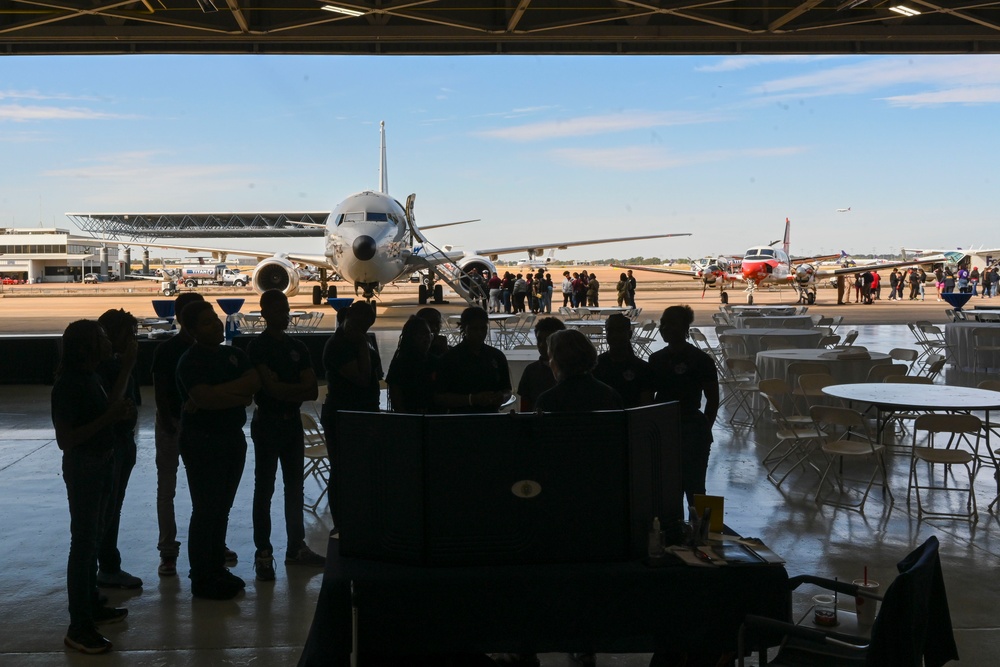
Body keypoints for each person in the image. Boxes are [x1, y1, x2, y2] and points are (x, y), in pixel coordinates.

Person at [52, 320, 136, 654]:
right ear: (86, 346)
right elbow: (66, 439)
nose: (107, 341)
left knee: (94, 538)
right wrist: (109, 418)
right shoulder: (70, 384)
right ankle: (78, 626)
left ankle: (90, 607)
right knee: (84, 545)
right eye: (100, 338)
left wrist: (114, 411)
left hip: (101, 464)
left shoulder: (91, 377)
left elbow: (107, 409)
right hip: (85, 468)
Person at [176, 301, 260, 600]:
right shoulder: (190, 361)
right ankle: (201, 576)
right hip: (202, 440)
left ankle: (215, 569)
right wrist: (235, 394)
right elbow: (206, 398)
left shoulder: (234, 353)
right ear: (192, 330)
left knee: (221, 509)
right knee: (206, 509)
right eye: (207, 322)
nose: (216, 325)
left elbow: (253, 387)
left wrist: (221, 393)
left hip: (232, 437)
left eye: (216, 319)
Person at [248, 290, 324, 583]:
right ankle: (263, 553)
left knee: (295, 488)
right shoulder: (258, 347)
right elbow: (272, 390)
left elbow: (312, 391)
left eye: (287, 308)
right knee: (264, 490)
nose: (284, 314)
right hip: (267, 424)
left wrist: (282, 388)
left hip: (291, 423)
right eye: (278, 309)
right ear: (264, 312)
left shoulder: (298, 346)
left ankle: (296, 547)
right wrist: (291, 388)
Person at [150, 292, 205, 577]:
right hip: (174, 423)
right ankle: (170, 550)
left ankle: (201, 544)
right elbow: (161, 390)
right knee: (172, 490)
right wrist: (170, 421)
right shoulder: (172, 351)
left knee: (174, 490)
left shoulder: (181, 349)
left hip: (182, 423)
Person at [647, 306, 719, 508]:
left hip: (690, 427)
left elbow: (713, 400)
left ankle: (698, 534)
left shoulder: (701, 360)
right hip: (665, 428)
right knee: (668, 489)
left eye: (671, 324)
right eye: (663, 324)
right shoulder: (656, 359)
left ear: (685, 328)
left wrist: (705, 429)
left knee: (695, 489)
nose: (665, 328)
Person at [322, 301, 383, 527]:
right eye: (359, 325)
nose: (362, 330)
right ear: (347, 319)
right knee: (341, 471)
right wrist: (360, 345)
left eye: (367, 326)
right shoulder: (338, 345)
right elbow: (363, 377)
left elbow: (377, 373)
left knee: (363, 470)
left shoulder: (363, 340)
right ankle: (341, 523)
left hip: (364, 413)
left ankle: (360, 517)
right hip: (343, 415)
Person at [94, 308, 143, 590]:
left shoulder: (115, 362)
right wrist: (127, 366)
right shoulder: (108, 367)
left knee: (114, 507)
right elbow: (113, 403)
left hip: (124, 442)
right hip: (113, 445)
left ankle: (109, 564)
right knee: (108, 510)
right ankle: (107, 567)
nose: (133, 340)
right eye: (129, 334)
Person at [434, 306, 511, 413]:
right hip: (460, 420)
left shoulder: (497, 356)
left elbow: (507, 390)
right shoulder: (450, 358)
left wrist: (502, 397)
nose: (480, 333)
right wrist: (472, 400)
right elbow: (439, 397)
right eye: (474, 329)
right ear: (464, 328)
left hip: (491, 418)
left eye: (483, 328)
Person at [535, 329, 622, 412]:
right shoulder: (610, 396)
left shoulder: (547, 401)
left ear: (558, 361)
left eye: (550, 358)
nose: (550, 364)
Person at [593, 313, 654, 408]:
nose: (614, 335)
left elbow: (646, 406)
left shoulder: (643, 369)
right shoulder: (595, 366)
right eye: (611, 330)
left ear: (629, 334)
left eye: (619, 330)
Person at [386, 315, 436, 413]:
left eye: (428, 334)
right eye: (421, 334)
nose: (426, 339)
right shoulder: (401, 364)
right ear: (411, 337)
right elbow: (396, 397)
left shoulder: (400, 361)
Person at [516, 317, 565, 412]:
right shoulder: (530, 371)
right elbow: (525, 408)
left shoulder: (531, 370)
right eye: (539, 340)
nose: (542, 345)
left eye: (547, 341)